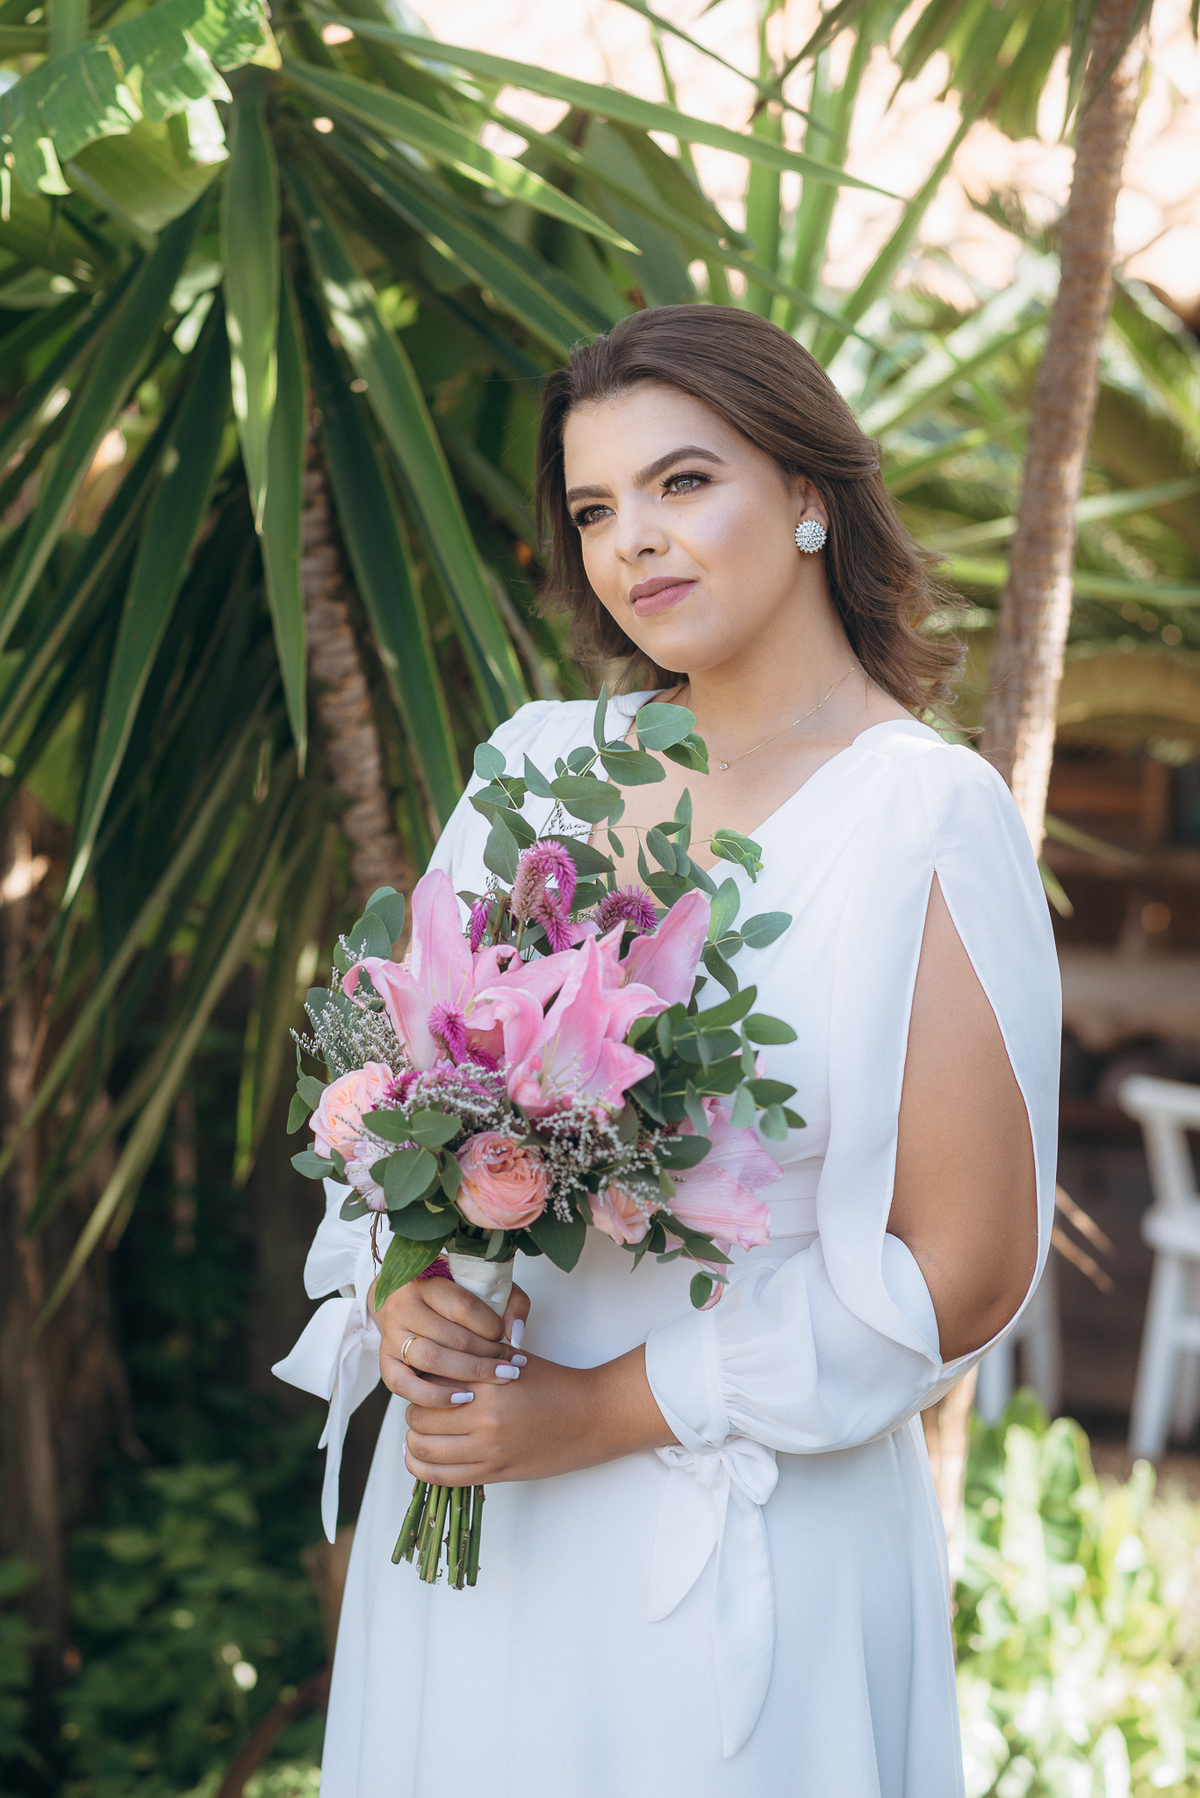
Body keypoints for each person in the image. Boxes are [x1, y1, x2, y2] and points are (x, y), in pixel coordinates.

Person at [275, 304, 1060, 1797]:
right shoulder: (537, 771)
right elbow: (403, 1098)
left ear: (811, 492)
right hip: (477, 1527)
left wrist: (598, 1413)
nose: (632, 538)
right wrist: (400, 1289)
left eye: (682, 482)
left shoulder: (924, 816)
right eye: (593, 509)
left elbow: (962, 1272)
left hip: (733, 1525)